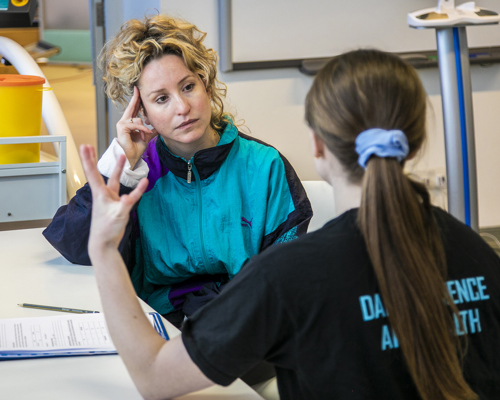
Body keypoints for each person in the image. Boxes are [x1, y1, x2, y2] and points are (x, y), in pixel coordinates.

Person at [81, 48, 500, 400]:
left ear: (317, 146)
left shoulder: (290, 279)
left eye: (189, 86)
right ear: (414, 141)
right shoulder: (481, 253)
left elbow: (155, 377)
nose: (181, 106)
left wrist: (102, 249)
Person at [42, 15, 312, 329]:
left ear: (207, 85)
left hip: (243, 326)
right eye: (161, 99)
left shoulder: (264, 166)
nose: (182, 107)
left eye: (188, 87)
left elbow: (285, 275)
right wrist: (120, 169)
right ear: (141, 112)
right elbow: (78, 247)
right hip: (156, 325)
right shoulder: (139, 173)